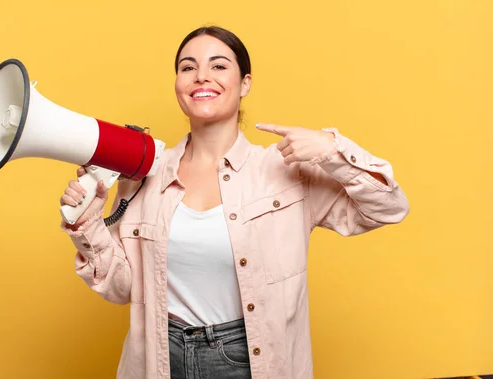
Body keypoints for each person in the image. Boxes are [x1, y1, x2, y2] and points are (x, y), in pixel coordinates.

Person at [59, 25, 409, 379]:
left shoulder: (285, 170)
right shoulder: (145, 173)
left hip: (249, 359)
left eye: (219, 65)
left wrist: (332, 151)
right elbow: (122, 290)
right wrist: (87, 224)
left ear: (245, 83)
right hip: (161, 356)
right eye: (188, 67)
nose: (201, 77)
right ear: (178, 83)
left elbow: (389, 207)